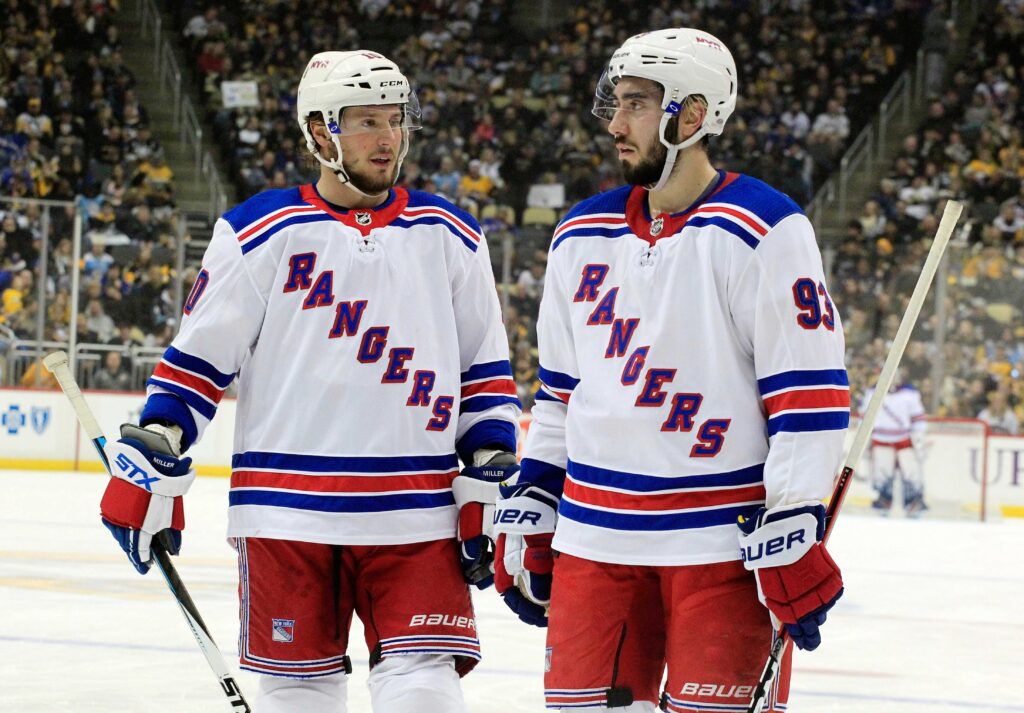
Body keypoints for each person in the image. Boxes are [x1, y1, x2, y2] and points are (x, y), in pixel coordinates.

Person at [96, 50, 520, 713]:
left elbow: (485, 374)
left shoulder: (451, 235)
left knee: (425, 693)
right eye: (366, 123)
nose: (387, 139)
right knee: (300, 696)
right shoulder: (257, 232)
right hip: (286, 513)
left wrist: (493, 467)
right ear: (320, 132)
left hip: (415, 511)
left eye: (395, 121)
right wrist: (153, 445)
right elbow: (196, 366)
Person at [472, 29, 849, 713]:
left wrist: (795, 520)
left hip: (722, 546)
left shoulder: (765, 228)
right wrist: (536, 496)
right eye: (616, 105)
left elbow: (809, 401)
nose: (616, 124)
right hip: (594, 540)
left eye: (638, 105)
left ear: (694, 114)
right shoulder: (578, 234)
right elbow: (559, 394)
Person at [862, 374, 928, 516]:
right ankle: (884, 500)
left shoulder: (909, 394)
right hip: (881, 438)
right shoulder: (872, 393)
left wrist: (918, 436)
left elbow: (918, 418)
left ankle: (913, 501)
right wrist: (866, 438)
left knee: (911, 473)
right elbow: (865, 417)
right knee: (883, 473)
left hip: (904, 439)